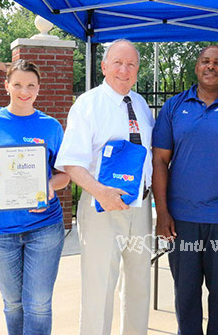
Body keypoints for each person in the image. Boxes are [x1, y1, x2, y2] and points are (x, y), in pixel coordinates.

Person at [152, 45, 218, 335]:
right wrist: (162, 212)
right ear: (197, 67)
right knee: (185, 296)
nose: (211, 67)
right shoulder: (174, 107)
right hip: (181, 220)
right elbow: (160, 161)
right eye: (205, 61)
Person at [55, 39, 154, 335]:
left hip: (140, 209)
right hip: (101, 210)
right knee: (99, 288)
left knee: (139, 285)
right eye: (118, 63)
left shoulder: (140, 104)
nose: (124, 70)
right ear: (104, 66)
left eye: (131, 64)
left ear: (137, 70)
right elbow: (71, 163)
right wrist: (100, 192)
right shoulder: (88, 104)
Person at [0, 59, 69, 335]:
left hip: (44, 228)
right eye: (18, 84)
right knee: (13, 304)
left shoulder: (51, 127)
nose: (25, 91)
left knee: (38, 305)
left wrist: (49, 186)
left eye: (31, 85)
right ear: (7, 85)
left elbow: (64, 175)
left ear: (39, 89)